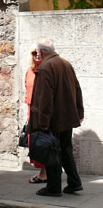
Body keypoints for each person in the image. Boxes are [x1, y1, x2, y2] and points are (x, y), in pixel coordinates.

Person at [28, 39, 84, 197]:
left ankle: (53, 188)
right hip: (67, 117)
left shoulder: (45, 68)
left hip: (54, 119)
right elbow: (77, 88)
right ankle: (74, 183)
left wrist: (43, 123)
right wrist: (79, 113)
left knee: (52, 152)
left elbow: (45, 99)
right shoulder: (65, 63)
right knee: (66, 150)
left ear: (41, 52)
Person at [24, 44, 46, 184]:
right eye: (34, 53)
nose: (37, 55)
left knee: (43, 142)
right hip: (31, 110)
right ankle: (42, 171)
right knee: (34, 143)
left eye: (39, 52)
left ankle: (44, 173)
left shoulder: (47, 70)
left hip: (42, 111)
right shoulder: (30, 71)